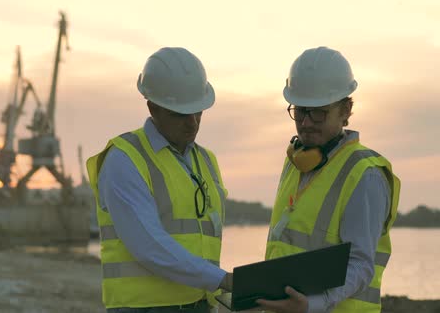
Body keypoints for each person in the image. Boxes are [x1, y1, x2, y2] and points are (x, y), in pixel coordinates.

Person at [86, 47, 232, 313]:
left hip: (200, 305)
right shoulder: (125, 159)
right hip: (142, 308)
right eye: (180, 114)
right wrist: (221, 279)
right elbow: (148, 245)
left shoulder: (206, 161)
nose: (193, 123)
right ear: (152, 106)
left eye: (198, 111)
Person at [257, 46, 401, 313]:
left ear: (346, 110)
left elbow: (360, 264)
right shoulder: (296, 163)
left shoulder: (365, 174)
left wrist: (312, 305)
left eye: (319, 112)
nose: (306, 123)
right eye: (300, 111)